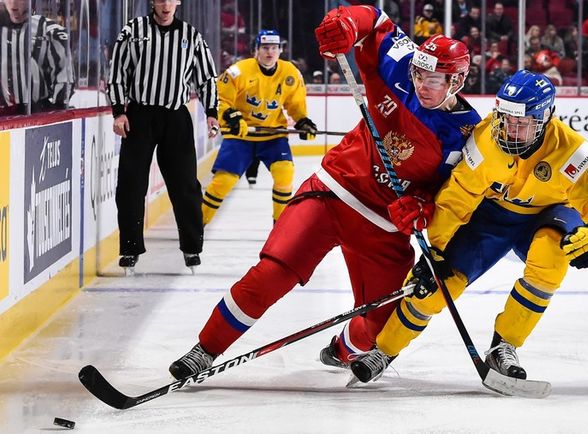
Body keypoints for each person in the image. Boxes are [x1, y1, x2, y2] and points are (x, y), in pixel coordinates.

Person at [168, 5, 481, 380]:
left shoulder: (468, 135)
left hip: (384, 225)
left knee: (384, 324)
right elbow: (375, 20)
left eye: (435, 80)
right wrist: (347, 22)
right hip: (332, 193)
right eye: (419, 75)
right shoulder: (400, 66)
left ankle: (342, 349)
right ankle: (205, 349)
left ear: (457, 80)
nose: (422, 86)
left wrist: (424, 207)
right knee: (271, 273)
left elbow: (455, 196)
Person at [349, 70, 588, 384]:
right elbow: (456, 197)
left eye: (521, 123)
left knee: (551, 258)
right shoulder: (487, 140)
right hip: (491, 216)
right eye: (506, 119)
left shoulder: (571, 151)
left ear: (545, 119)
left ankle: (504, 346)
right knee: (439, 284)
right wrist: (435, 250)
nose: (510, 130)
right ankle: (384, 349)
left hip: (549, 214)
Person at [107, 0, 219, 270]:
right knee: (131, 185)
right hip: (139, 116)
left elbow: (206, 77)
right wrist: (119, 111)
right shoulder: (133, 31)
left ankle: (191, 247)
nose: (166, 5)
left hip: (175, 117)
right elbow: (118, 72)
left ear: (178, 2)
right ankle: (130, 248)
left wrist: (212, 112)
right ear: (152, 2)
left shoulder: (191, 35)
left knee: (185, 185)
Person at [200, 29, 316, 227]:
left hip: (273, 136)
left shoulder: (290, 73)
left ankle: (280, 228)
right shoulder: (239, 71)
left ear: (280, 50)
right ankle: (197, 225)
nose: (270, 52)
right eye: (265, 48)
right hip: (240, 136)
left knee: (284, 173)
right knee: (223, 181)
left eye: (274, 48)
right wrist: (232, 116)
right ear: (256, 50)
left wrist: (302, 121)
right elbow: (220, 99)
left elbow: (295, 104)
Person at [0, 0, 74, 118]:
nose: (14, 4)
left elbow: (64, 78)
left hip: (37, 115)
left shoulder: (50, 30)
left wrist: (55, 111)